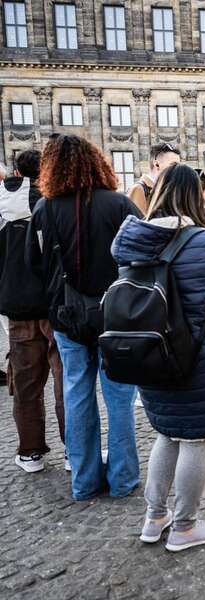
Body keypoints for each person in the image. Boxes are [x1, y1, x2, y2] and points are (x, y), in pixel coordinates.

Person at [111, 163, 205, 551]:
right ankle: (185, 526)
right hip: (198, 358)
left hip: (150, 352)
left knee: (168, 432)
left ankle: (154, 517)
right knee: (196, 439)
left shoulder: (131, 239)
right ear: (193, 196)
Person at [28, 134, 141, 501]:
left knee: (76, 393)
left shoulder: (45, 208)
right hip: (117, 316)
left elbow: (34, 262)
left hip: (67, 316)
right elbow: (145, 254)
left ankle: (84, 482)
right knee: (120, 397)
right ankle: (123, 480)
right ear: (98, 162)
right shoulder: (119, 204)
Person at [0, 149, 65, 473]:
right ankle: (74, 450)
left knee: (25, 385)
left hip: (17, 307)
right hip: (53, 306)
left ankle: (30, 452)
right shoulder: (53, 203)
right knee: (65, 381)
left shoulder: (2, 206)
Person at [127, 143, 181, 215]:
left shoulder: (170, 189)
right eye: (173, 165)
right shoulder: (139, 189)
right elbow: (137, 224)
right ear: (156, 164)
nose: (178, 169)